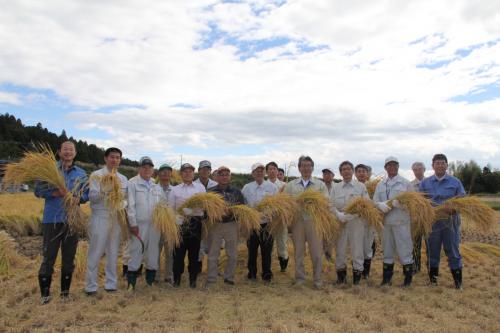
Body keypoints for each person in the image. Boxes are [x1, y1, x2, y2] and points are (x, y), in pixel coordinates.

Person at [35, 141, 89, 304]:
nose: (68, 152)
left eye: (71, 149)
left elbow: (86, 194)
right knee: (49, 257)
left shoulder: (81, 173)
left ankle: (65, 293)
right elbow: (38, 191)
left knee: (69, 258)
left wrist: (78, 198)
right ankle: (45, 294)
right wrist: (56, 192)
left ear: (75, 153)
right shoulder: (49, 169)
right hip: (52, 220)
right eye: (65, 149)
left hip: (72, 221)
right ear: (59, 152)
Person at [85, 147, 128, 295]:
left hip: (115, 217)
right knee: (96, 251)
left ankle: (111, 283)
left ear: (120, 160)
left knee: (113, 251)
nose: (115, 160)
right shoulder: (96, 175)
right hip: (100, 216)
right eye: (112, 157)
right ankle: (91, 286)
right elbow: (92, 197)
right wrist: (106, 191)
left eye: (117, 157)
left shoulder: (123, 179)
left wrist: (122, 204)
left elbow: (125, 199)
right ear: (105, 158)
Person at [419, 154, 465, 289]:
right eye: (437, 163)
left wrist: (453, 209)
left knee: (453, 250)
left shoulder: (455, 182)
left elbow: (462, 202)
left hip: (450, 223)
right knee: (432, 251)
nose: (440, 165)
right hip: (432, 223)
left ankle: (458, 283)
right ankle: (433, 281)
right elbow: (421, 202)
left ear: (446, 165)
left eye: (442, 163)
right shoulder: (425, 183)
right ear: (433, 166)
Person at [284, 156, 328, 289]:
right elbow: (286, 202)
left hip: (314, 221)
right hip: (297, 222)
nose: (306, 168)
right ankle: (300, 279)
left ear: (312, 168)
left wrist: (311, 202)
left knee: (316, 252)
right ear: (299, 168)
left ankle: (318, 280)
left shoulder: (320, 184)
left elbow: (325, 201)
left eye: (309, 165)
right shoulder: (291, 185)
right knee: (298, 252)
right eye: (303, 165)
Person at [126, 156, 166, 290]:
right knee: (136, 251)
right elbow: (130, 206)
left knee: (153, 253)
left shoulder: (156, 186)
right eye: (144, 167)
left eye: (150, 167)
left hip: (155, 226)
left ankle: (149, 284)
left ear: (153, 169)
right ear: (139, 168)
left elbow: (163, 205)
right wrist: (132, 223)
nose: (147, 169)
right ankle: (131, 285)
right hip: (139, 225)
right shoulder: (132, 183)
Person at [373, 156, 414, 287]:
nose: (392, 167)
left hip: (401, 222)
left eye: (394, 165)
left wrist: (400, 205)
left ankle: (407, 281)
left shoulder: (405, 183)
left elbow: (413, 203)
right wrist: (379, 205)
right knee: (387, 250)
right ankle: (386, 280)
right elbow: (374, 201)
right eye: (389, 165)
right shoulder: (380, 184)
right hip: (385, 223)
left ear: (398, 166)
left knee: (405, 250)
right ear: (385, 168)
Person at [168, 163, 206, 288]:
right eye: (185, 171)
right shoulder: (175, 189)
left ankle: (193, 279)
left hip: (196, 222)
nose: (187, 173)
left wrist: (194, 211)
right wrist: (177, 218)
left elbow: (205, 205)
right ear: (181, 174)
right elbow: (170, 209)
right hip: (180, 224)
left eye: (190, 171)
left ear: (193, 173)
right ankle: (177, 279)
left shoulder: (200, 188)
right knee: (178, 254)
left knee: (194, 253)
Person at [331, 161, 368, 285]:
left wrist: (354, 214)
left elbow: (366, 204)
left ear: (352, 171)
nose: (346, 171)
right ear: (340, 172)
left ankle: (357, 278)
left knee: (357, 249)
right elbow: (330, 205)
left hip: (356, 222)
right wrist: (338, 214)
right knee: (340, 249)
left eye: (348, 169)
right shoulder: (335, 187)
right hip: (340, 223)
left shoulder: (360, 187)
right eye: (343, 169)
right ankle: (341, 278)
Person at [206, 166, 244, 286]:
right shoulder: (210, 192)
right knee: (213, 254)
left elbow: (242, 209)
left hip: (231, 225)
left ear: (230, 177)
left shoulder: (237, 192)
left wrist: (232, 212)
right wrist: (217, 212)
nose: (224, 177)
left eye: (227, 174)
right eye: (221, 174)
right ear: (217, 177)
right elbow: (206, 210)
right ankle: (211, 279)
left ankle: (229, 277)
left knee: (232, 254)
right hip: (215, 225)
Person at [242, 163, 278, 282]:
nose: (259, 172)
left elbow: (277, 204)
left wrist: (269, 212)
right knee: (252, 250)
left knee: (266, 251)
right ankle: (252, 273)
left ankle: (266, 274)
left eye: (262, 170)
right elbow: (243, 204)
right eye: (257, 171)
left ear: (265, 173)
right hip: (252, 224)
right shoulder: (247, 188)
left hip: (267, 224)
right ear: (252, 173)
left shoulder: (272, 187)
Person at [194, 160, 218, 273]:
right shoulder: (193, 184)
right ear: (199, 171)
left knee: (213, 244)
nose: (205, 171)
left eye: (207, 169)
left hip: (212, 219)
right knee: (199, 245)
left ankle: (213, 269)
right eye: (203, 169)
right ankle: (198, 268)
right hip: (198, 219)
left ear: (210, 171)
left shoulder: (215, 185)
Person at [266, 161, 289, 272]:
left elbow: (289, 202)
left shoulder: (284, 186)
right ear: (267, 172)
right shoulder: (263, 185)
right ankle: (267, 266)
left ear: (277, 171)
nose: (272, 171)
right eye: (270, 169)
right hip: (267, 219)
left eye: (274, 168)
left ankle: (283, 265)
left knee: (282, 242)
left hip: (280, 218)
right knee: (268, 243)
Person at [355, 163, 376, 278]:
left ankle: (365, 273)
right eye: (359, 171)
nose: (361, 173)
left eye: (364, 171)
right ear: (355, 174)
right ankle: (358, 269)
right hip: (356, 221)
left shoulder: (373, 186)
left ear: (368, 174)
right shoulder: (353, 186)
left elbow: (377, 202)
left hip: (369, 221)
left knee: (368, 246)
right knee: (357, 246)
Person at [157, 163, 175, 283]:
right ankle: (155, 275)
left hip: (171, 226)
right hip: (156, 225)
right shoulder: (153, 188)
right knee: (155, 251)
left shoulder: (175, 189)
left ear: (171, 174)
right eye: (163, 171)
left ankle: (169, 275)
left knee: (170, 252)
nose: (165, 174)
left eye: (168, 172)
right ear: (159, 174)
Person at [410, 161, 426, 274]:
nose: (417, 172)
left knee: (430, 244)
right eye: (415, 170)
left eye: (419, 169)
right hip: (415, 220)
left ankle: (431, 266)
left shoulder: (430, 183)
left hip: (429, 219)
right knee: (415, 243)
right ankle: (415, 266)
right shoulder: (410, 186)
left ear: (424, 170)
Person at [321, 167, 336, 262]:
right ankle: (321, 256)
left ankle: (329, 255)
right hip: (321, 216)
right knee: (321, 237)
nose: (326, 175)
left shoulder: (337, 187)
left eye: (329, 174)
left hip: (334, 216)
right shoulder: (319, 186)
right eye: (325, 174)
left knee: (331, 237)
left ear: (333, 176)